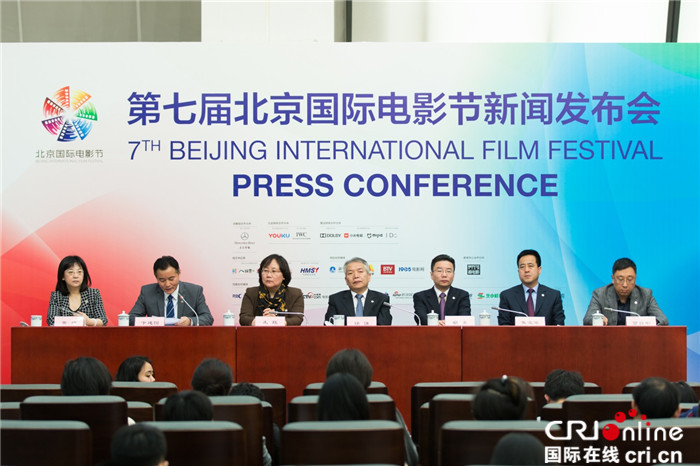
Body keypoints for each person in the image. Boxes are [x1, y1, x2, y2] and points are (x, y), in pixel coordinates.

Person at [129, 256, 213, 326]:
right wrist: (154, 322)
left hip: (185, 338)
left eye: (171, 279)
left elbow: (208, 318)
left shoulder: (194, 291)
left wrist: (190, 321)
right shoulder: (147, 292)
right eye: (162, 280)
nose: (167, 284)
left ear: (179, 273)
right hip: (156, 338)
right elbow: (131, 318)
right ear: (156, 278)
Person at [583, 257, 668, 326]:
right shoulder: (600, 294)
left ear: (635, 278)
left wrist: (646, 322)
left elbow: (663, 319)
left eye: (630, 279)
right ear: (613, 279)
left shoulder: (645, 295)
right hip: (608, 339)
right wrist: (598, 320)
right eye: (620, 279)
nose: (625, 284)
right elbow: (587, 319)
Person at [498, 249, 564, 326]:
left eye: (530, 266)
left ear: (539, 270)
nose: (526, 270)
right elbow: (504, 326)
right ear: (518, 271)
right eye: (522, 267)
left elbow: (559, 325)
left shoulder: (553, 296)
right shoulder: (507, 296)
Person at [239, 254, 304, 326]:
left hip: (285, 333)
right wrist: (264, 320)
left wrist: (275, 320)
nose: (269, 275)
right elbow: (244, 319)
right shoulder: (251, 293)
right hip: (257, 332)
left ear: (284, 275)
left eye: (274, 271)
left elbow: (297, 319)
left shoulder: (295, 294)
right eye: (265, 270)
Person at [324, 257, 392, 325]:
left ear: (369, 276)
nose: (356, 276)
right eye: (350, 273)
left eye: (360, 271)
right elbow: (329, 326)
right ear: (346, 280)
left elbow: (384, 327)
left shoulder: (382, 299)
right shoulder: (336, 300)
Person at [47, 255, 107, 326]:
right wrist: (77, 322)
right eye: (70, 272)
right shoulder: (56, 296)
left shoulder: (93, 294)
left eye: (79, 272)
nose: (76, 276)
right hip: (64, 333)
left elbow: (103, 320)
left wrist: (89, 322)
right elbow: (52, 320)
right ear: (62, 276)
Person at [412, 254, 471, 325]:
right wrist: (434, 323)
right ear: (431, 275)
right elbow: (420, 317)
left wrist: (447, 323)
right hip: (430, 332)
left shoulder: (462, 295)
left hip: (454, 332)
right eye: (439, 271)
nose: (444, 275)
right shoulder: (420, 296)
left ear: (453, 275)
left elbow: (465, 317)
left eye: (448, 271)